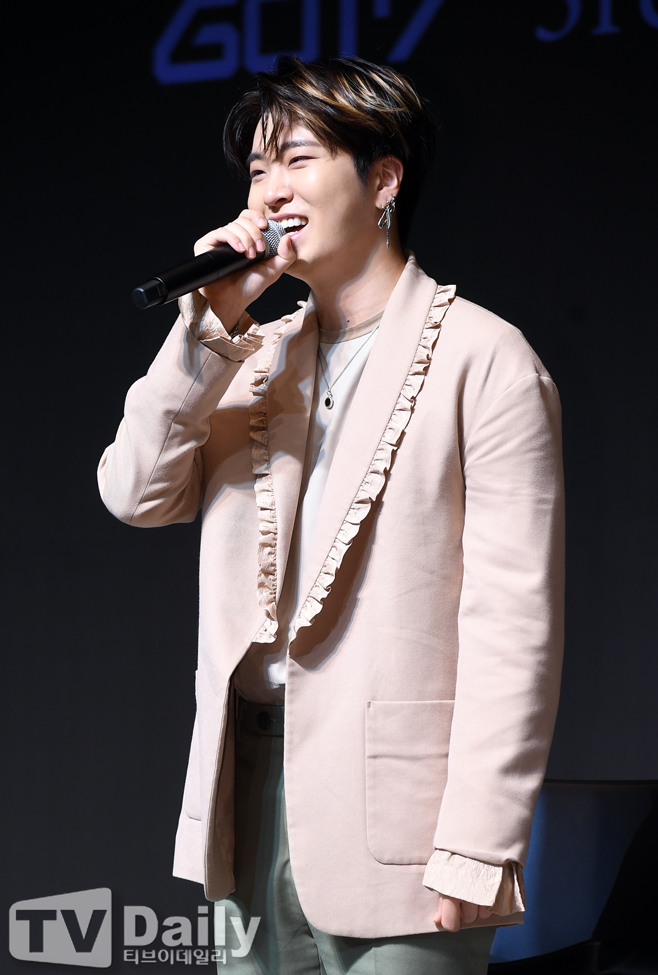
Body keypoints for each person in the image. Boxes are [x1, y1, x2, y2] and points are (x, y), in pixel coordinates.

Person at [98, 56, 564, 975]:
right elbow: (134, 491)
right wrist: (206, 328)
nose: (270, 191)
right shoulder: (249, 357)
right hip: (247, 789)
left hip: (404, 812)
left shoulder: (486, 359)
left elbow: (516, 626)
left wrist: (479, 840)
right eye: (257, 169)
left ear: (383, 180)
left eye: (298, 160)